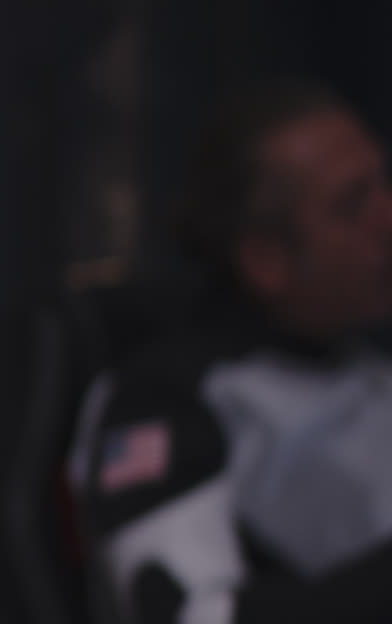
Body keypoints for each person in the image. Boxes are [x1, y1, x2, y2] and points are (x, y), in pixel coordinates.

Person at [70, 80, 392, 623]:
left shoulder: (362, 365)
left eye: (383, 184)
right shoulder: (169, 402)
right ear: (267, 259)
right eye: (352, 205)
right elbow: (195, 616)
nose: (387, 219)